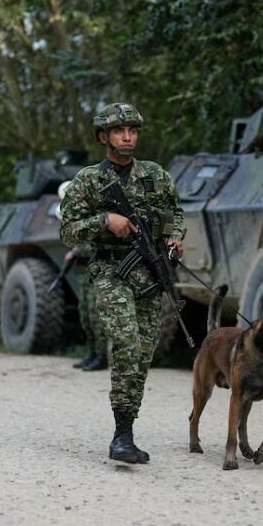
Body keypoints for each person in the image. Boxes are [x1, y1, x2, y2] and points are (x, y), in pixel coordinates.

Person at [60, 102, 184, 464]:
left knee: (143, 353)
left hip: (150, 274)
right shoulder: (88, 180)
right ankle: (122, 437)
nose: (128, 136)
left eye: (132, 130)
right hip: (111, 272)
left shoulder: (155, 175)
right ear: (104, 137)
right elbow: (67, 231)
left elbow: (176, 210)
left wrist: (176, 236)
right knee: (127, 343)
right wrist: (104, 222)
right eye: (119, 131)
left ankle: (127, 428)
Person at [69, 243, 108, 372]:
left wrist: (77, 250)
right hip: (87, 274)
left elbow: (96, 245)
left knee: (95, 318)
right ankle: (92, 354)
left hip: (99, 274)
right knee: (85, 316)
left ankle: (102, 357)